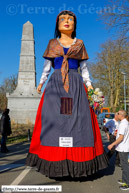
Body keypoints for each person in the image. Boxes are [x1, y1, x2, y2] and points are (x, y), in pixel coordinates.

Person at [26, 10, 108, 178]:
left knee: (78, 120)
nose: (67, 21)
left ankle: (77, 163)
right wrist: (41, 82)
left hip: (76, 84)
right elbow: (46, 67)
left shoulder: (80, 44)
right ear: (57, 24)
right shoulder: (51, 44)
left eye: (70, 19)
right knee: (55, 121)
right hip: (55, 85)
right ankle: (55, 161)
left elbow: (84, 69)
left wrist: (90, 87)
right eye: (63, 19)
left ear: (74, 25)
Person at [108, 110, 129, 190]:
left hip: (123, 147)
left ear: (121, 115)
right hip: (123, 147)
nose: (116, 114)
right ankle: (124, 179)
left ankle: (127, 183)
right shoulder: (124, 123)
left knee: (125, 165)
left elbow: (121, 138)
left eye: (118, 113)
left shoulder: (123, 124)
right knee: (124, 165)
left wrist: (112, 144)